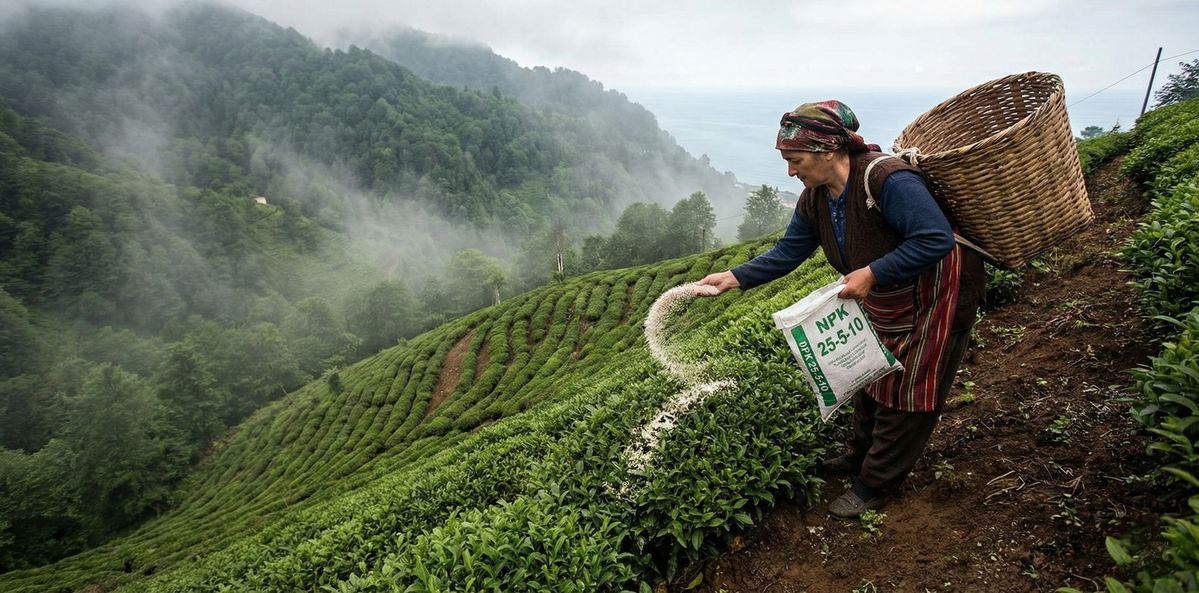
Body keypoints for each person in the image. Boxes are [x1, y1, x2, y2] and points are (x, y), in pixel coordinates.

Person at [698, 100, 985, 518]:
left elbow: (934, 238)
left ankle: (875, 484)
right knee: (870, 371)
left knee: (908, 391)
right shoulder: (815, 198)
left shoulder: (887, 180)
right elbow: (789, 251)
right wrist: (735, 276)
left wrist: (873, 272)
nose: (790, 172)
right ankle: (860, 455)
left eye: (795, 161)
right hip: (887, 293)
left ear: (828, 151)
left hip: (937, 292)